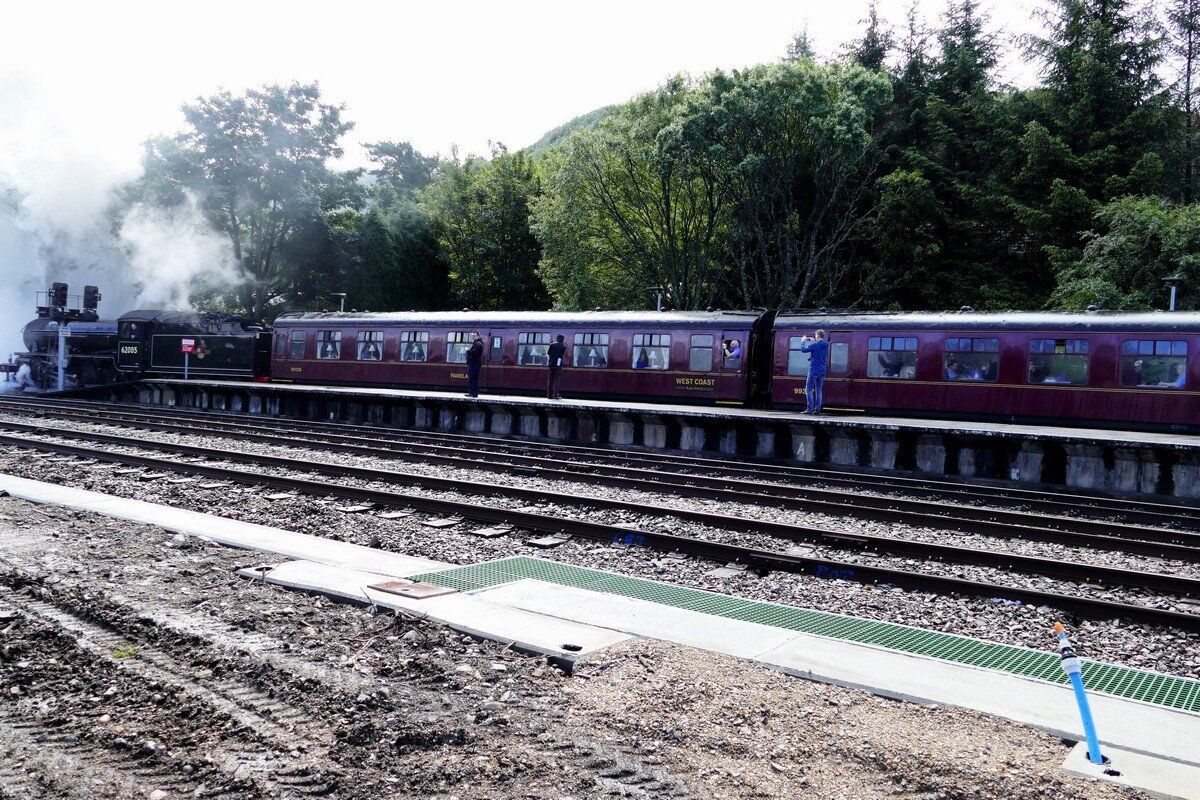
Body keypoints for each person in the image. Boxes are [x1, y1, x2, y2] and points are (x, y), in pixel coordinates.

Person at [798, 329, 829, 414]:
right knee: (818, 390)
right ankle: (817, 409)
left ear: (817, 336)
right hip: (822, 370)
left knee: (808, 389)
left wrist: (802, 341)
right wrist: (813, 341)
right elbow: (818, 350)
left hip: (814, 370)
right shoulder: (826, 345)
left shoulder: (815, 345)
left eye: (815, 335)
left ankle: (809, 408)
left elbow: (803, 350)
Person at [546, 334, 567, 399]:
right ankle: (555, 395)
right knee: (556, 381)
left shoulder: (552, 345)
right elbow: (561, 355)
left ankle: (549, 395)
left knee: (550, 380)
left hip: (551, 364)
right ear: (562, 340)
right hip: (558, 365)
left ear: (557, 339)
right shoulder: (564, 347)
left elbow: (548, 353)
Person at [465, 332, 484, 397]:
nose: (473, 337)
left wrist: (467, 350)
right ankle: (474, 393)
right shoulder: (478, 343)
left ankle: (472, 393)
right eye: (472, 336)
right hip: (476, 363)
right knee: (475, 378)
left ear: (478, 336)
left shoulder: (477, 344)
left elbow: (474, 352)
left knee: (471, 378)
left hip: (474, 363)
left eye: (474, 336)